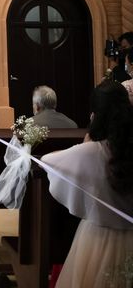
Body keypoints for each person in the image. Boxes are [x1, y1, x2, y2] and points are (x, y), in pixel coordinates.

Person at [42, 81, 133, 287]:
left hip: (100, 239)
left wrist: (84, 143)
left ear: (95, 114)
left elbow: (48, 161)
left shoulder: (91, 151)